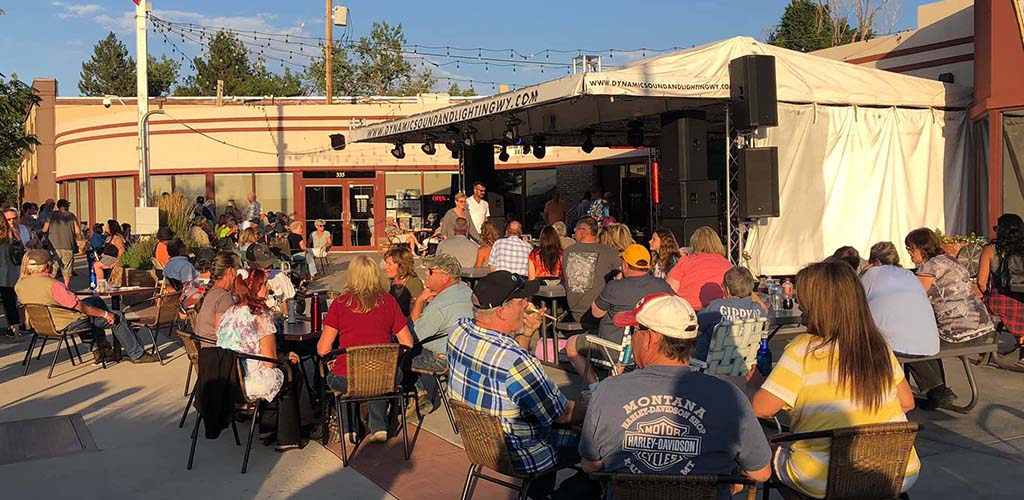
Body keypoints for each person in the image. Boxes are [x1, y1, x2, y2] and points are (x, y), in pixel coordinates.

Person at [749, 260, 920, 499]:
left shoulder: (803, 351)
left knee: (763, 453)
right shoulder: (877, 347)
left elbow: (761, 409)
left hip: (823, 479)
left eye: (803, 301)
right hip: (895, 472)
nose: (799, 305)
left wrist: (754, 380)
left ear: (816, 306)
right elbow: (907, 403)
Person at [580, 293, 772, 498]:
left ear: (651, 338)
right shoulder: (729, 396)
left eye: (635, 330)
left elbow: (591, 465)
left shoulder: (607, 391)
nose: (631, 337)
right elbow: (760, 473)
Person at [447, 271, 584, 497]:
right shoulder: (518, 362)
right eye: (521, 302)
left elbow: (505, 373)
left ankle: (538, 493)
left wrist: (526, 333)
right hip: (521, 453)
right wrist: (599, 415)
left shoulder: (459, 330)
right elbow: (561, 413)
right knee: (597, 441)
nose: (527, 305)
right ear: (502, 312)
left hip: (481, 444)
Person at [317, 255, 414, 443]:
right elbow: (407, 343)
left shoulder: (340, 303)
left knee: (339, 376)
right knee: (377, 375)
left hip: (348, 378)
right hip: (383, 377)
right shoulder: (389, 301)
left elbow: (323, 349)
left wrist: (332, 359)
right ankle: (379, 426)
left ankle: (349, 429)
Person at [905, 227, 996, 409]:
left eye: (911, 249)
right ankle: (937, 391)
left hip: (958, 332)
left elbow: (915, 296)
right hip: (983, 328)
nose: (909, 254)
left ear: (923, 248)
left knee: (908, 344)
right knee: (926, 338)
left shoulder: (930, 266)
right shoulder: (950, 260)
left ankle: (937, 390)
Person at [216, 268, 305, 451]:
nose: (268, 287)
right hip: (249, 382)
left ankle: (268, 427)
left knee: (282, 366)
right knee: (290, 371)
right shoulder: (260, 316)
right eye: (263, 284)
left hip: (228, 378)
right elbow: (270, 362)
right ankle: (286, 436)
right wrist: (284, 357)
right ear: (253, 289)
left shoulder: (230, 313)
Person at [16, 250, 157, 364]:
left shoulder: (20, 285)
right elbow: (78, 306)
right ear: (47, 266)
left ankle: (100, 348)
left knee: (94, 301)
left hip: (45, 324)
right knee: (116, 316)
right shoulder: (53, 285)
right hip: (67, 322)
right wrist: (105, 314)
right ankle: (137, 354)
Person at [566, 244, 674, 387]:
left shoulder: (615, 287)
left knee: (571, 344)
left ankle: (594, 387)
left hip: (614, 349)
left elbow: (596, 313)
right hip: (650, 347)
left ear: (625, 264)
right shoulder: (662, 286)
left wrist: (616, 282)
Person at [407, 254, 473, 404]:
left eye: (431, 271)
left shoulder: (439, 307)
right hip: (464, 354)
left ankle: (416, 393)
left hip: (439, 359)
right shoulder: (468, 292)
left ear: (445, 277)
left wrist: (419, 301)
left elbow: (412, 336)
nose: (426, 273)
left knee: (396, 357)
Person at [859, 241, 940, 358]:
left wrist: (862, 274)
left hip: (892, 345)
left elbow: (854, 301)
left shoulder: (872, 273)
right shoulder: (910, 275)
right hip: (929, 345)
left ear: (877, 261)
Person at [977, 213, 1024, 370]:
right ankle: (1021, 341)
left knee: (981, 306)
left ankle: (985, 351)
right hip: (1022, 299)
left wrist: (988, 295)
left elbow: (981, 282)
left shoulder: (990, 250)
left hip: (1001, 300)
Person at [695, 266, 768, 361]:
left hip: (711, 363)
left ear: (727, 290)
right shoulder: (759, 310)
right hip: (744, 363)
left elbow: (695, 331)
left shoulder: (716, 307)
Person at [563, 217, 621, 332]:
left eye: (576, 230)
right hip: (600, 312)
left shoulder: (568, 251)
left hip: (575, 310)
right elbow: (624, 275)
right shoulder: (610, 252)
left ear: (582, 230)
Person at [666, 226, 733, 311]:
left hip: (689, 311)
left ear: (693, 244)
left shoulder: (685, 261)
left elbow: (668, 290)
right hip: (720, 311)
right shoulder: (727, 264)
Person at [194, 252, 239, 345]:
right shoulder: (224, 297)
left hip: (205, 347)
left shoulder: (211, 291)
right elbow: (222, 333)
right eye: (236, 269)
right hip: (216, 351)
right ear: (230, 271)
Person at [240, 243, 295, 314]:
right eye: (263, 264)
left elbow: (296, 310)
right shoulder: (243, 278)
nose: (268, 267)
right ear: (250, 264)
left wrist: (300, 302)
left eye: (270, 263)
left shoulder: (279, 275)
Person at [41, 199, 81, 286]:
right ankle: (66, 286)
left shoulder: (51, 215)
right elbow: (77, 231)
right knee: (67, 269)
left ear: (58, 206)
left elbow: (45, 229)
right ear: (67, 206)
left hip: (54, 246)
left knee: (53, 268)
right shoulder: (71, 216)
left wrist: (37, 232)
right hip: (68, 245)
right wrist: (78, 241)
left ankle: (51, 287)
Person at [0, 211, 24, 339]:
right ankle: (16, 331)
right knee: (10, 302)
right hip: (10, 271)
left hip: (3, 270)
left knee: (8, 302)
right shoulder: (12, 232)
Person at [384, 246, 423, 317]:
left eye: (390, 264)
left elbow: (416, 314)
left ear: (402, 265)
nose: (386, 268)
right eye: (386, 264)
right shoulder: (391, 283)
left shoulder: (414, 283)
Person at [92, 219, 126, 284]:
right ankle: (100, 283)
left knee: (96, 265)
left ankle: (101, 284)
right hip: (106, 258)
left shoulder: (117, 239)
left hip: (112, 259)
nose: (105, 228)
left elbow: (122, 252)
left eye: (107, 226)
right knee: (94, 263)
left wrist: (115, 262)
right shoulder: (109, 237)